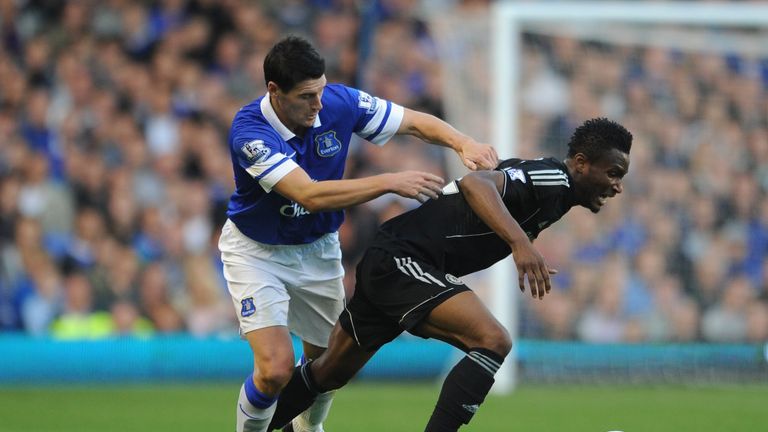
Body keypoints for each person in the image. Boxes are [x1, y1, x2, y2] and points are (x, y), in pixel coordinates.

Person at [266, 117, 632, 432]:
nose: (617, 185)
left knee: (328, 372)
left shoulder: (558, 197)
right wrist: (521, 244)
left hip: (396, 261)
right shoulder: (555, 178)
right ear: (581, 164)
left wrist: (522, 243)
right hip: (404, 259)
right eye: (613, 173)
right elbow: (477, 184)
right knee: (493, 340)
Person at [218, 35, 498, 432]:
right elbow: (309, 195)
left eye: (321, 90)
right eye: (306, 97)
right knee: (275, 369)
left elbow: (413, 121)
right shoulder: (250, 133)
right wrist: (388, 181)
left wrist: (462, 142)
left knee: (328, 365)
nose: (318, 105)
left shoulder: (338, 101)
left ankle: (308, 429)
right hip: (257, 253)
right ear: (274, 91)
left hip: (317, 250)